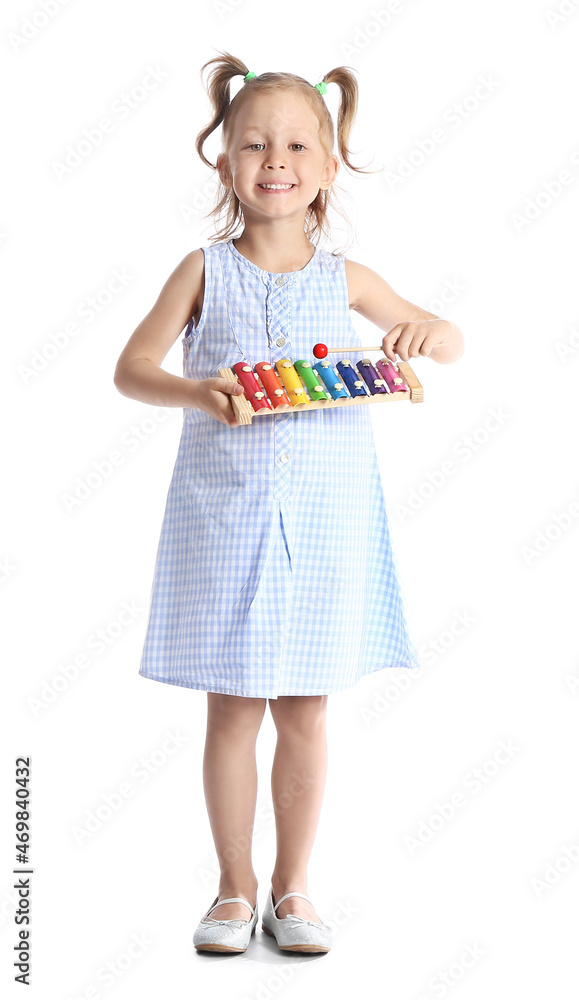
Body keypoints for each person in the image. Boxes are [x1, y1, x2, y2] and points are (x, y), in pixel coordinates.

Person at [113, 50, 464, 956]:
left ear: (328, 163)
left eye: (297, 145)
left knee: (305, 708)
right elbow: (131, 369)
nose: (276, 159)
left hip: (327, 521)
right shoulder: (201, 270)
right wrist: (199, 391)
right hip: (222, 517)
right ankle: (232, 892)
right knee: (232, 708)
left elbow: (447, 339)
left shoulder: (346, 279)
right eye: (255, 145)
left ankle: (293, 889)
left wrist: (427, 330)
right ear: (224, 161)